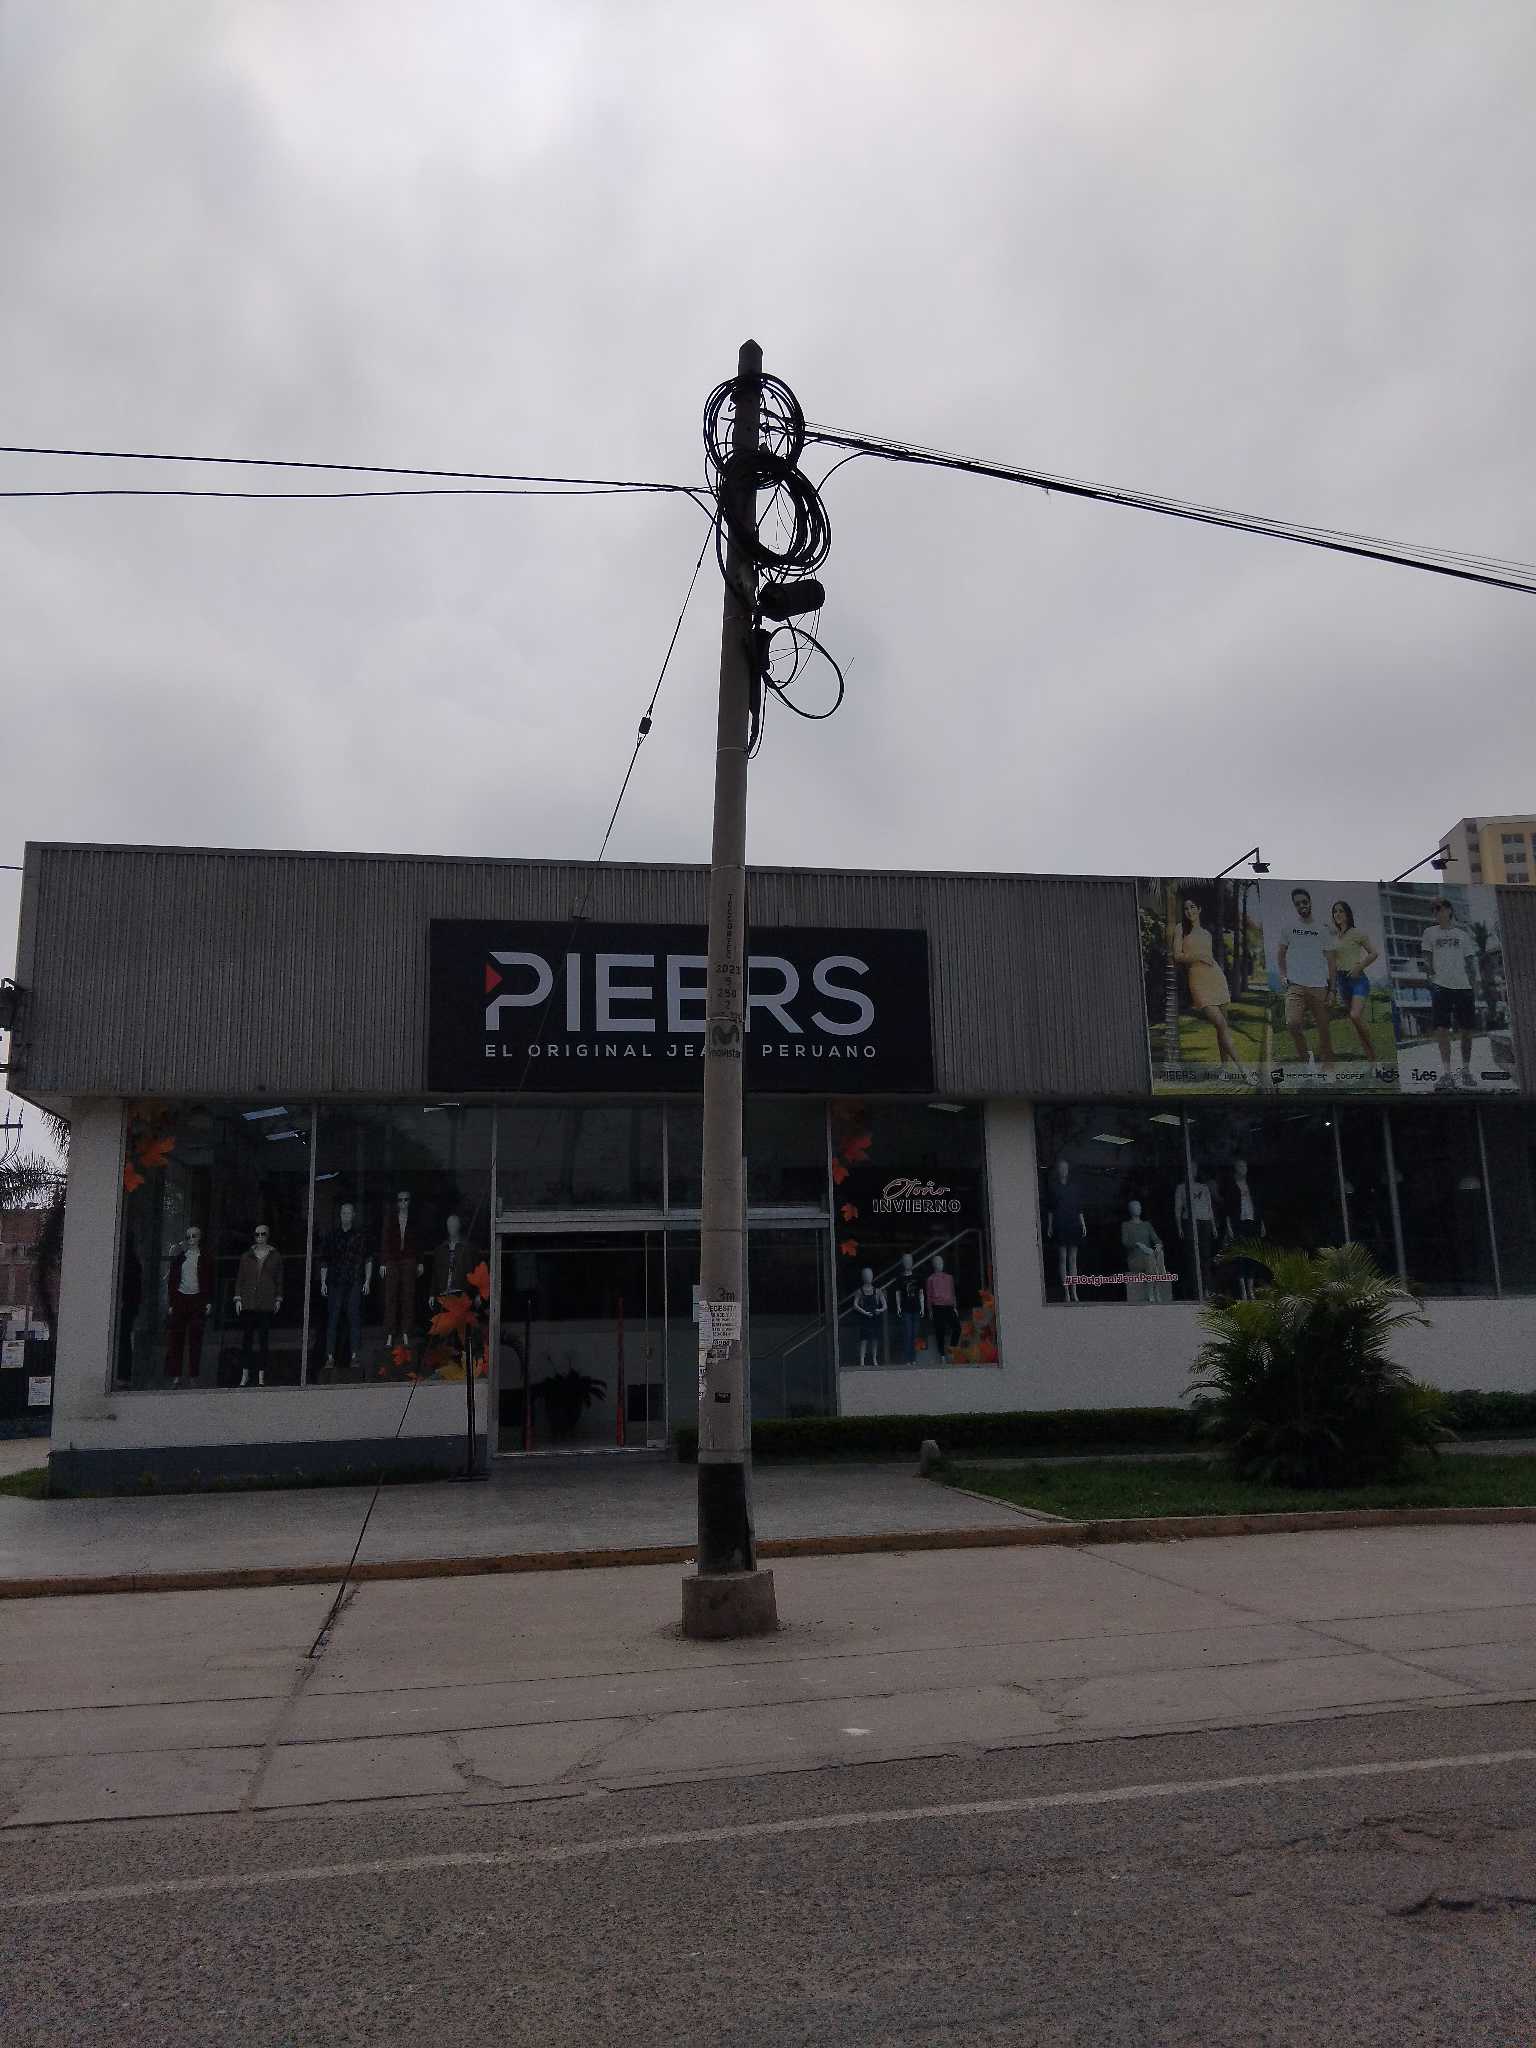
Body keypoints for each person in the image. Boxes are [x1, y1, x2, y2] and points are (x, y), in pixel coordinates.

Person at [1173, 896, 1240, 1067]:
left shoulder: (1207, 934)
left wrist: (1205, 958)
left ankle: (1224, 1069)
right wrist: (1199, 956)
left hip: (1216, 978)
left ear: (1199, 909)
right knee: (1221, 1024)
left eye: (1192, 907)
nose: (1189, 911)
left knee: (1221, 1028)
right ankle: (1244, 1069)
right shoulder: (1180, 929)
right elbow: (1177, 956)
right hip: (1198, 982)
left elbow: (1210, 959)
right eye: (1186, 909)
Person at [1275, 887, 1336, 1071]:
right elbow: (1280, 953)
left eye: (1304, 902)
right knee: (1292, 1023)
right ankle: (1306, 1059)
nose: (1302, 905)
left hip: (1319, 986)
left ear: (1310, 902)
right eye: (1298, 903)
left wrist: (1332, 990)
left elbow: (1331, 961)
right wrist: (1283, 975)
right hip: (1296, 986)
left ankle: (1328, 1067)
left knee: (1324, 1028)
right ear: (1294, 906)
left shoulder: (1322, 929)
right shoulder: (1289, 928)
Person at [1421, 896, 1478, 1090]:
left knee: (1466, 1031)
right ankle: (1447, 1073)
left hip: (1463, 987)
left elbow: (1470, 962)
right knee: (1441, 1029)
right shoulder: (1429, 933)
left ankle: (1466, 1071)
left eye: (1439, 908)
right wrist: (1430, 975)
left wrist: (1474, 985)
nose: (1436, 912)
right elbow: (1426, 957)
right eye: (1433, 910)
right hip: (1441, 986)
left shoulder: (1462, 935)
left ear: (1449, 910)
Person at [1329, 899, 1380, 1059]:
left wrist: (1360, 966)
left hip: (1358, 980)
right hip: (1342, 982)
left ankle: (1373, 1053)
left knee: (1355, 1015)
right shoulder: (1334, 937)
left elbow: (1374, 953)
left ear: (1347, 914)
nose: (1337, 914)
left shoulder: (1357, 933)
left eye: (1341, 911)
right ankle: (1371, 1060)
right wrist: (1333, 988)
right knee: (1357, 1023)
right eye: (1335, 911)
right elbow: (1333, 963)